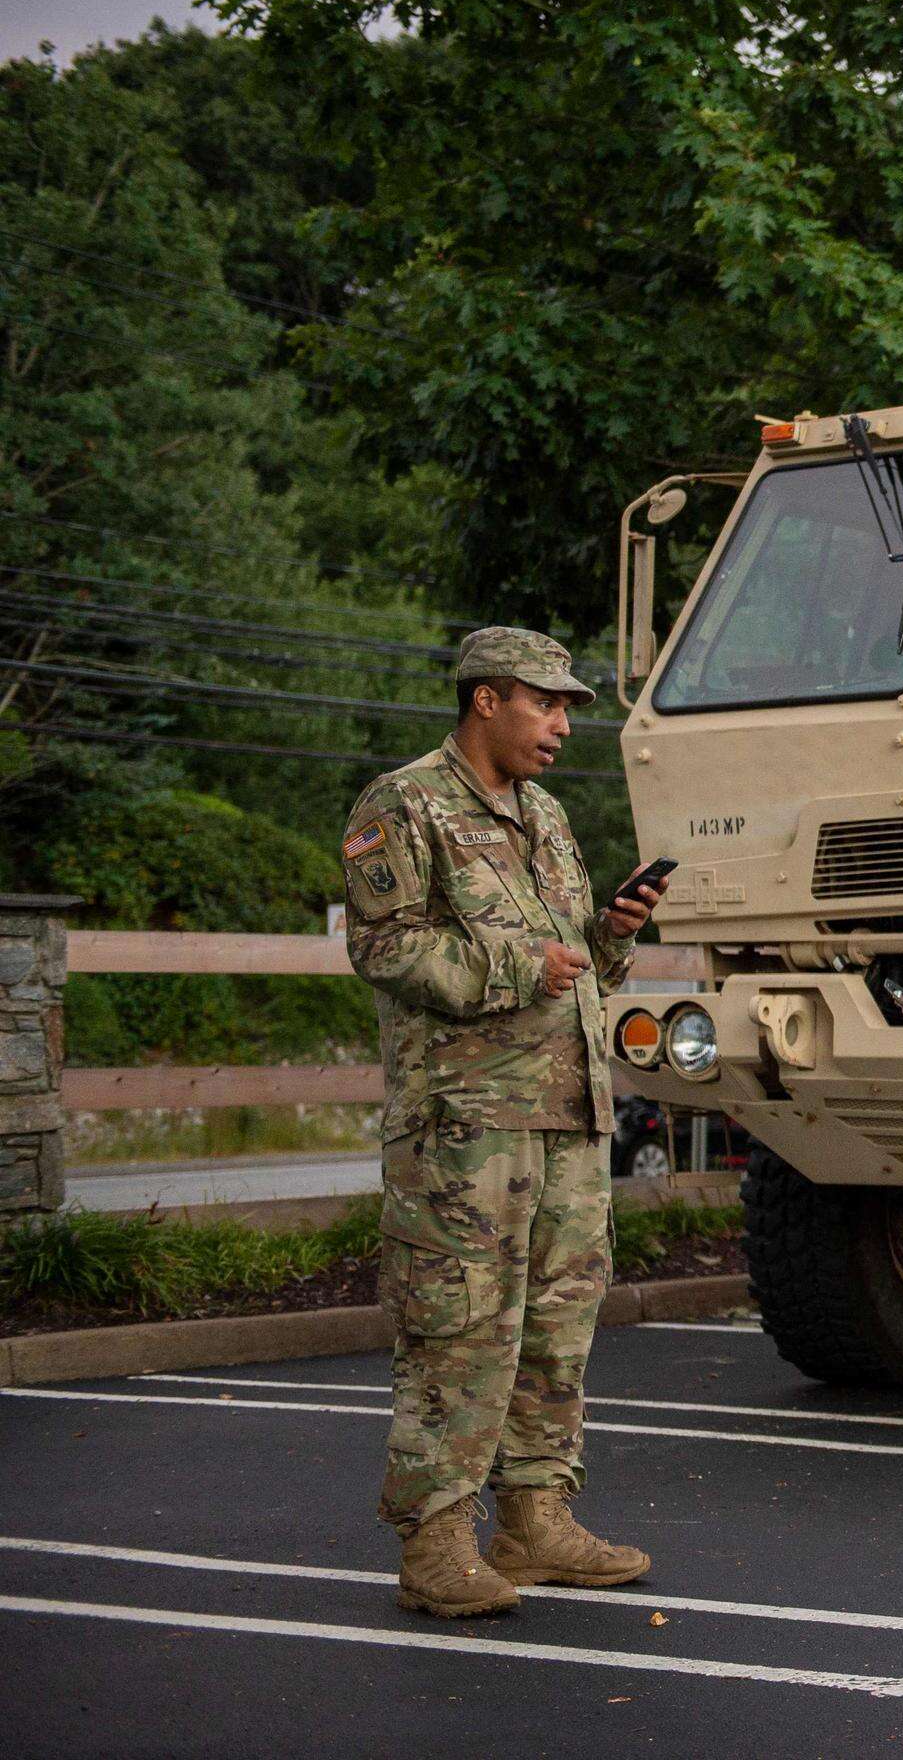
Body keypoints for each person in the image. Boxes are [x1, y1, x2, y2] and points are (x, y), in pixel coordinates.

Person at [341, 626, 671, 1619]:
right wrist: (525, 965)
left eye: (567, 706)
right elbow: (386, 948)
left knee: (556, 1328)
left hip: (567, 1115)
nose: (563, 724)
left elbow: (572, 961)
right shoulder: (404, 804)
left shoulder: (548, 815)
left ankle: (534, 1521)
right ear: (486, 699)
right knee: (459, 1330)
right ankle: (436, 1543)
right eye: (546, 703)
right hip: (465, 1127)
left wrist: (607, 938)